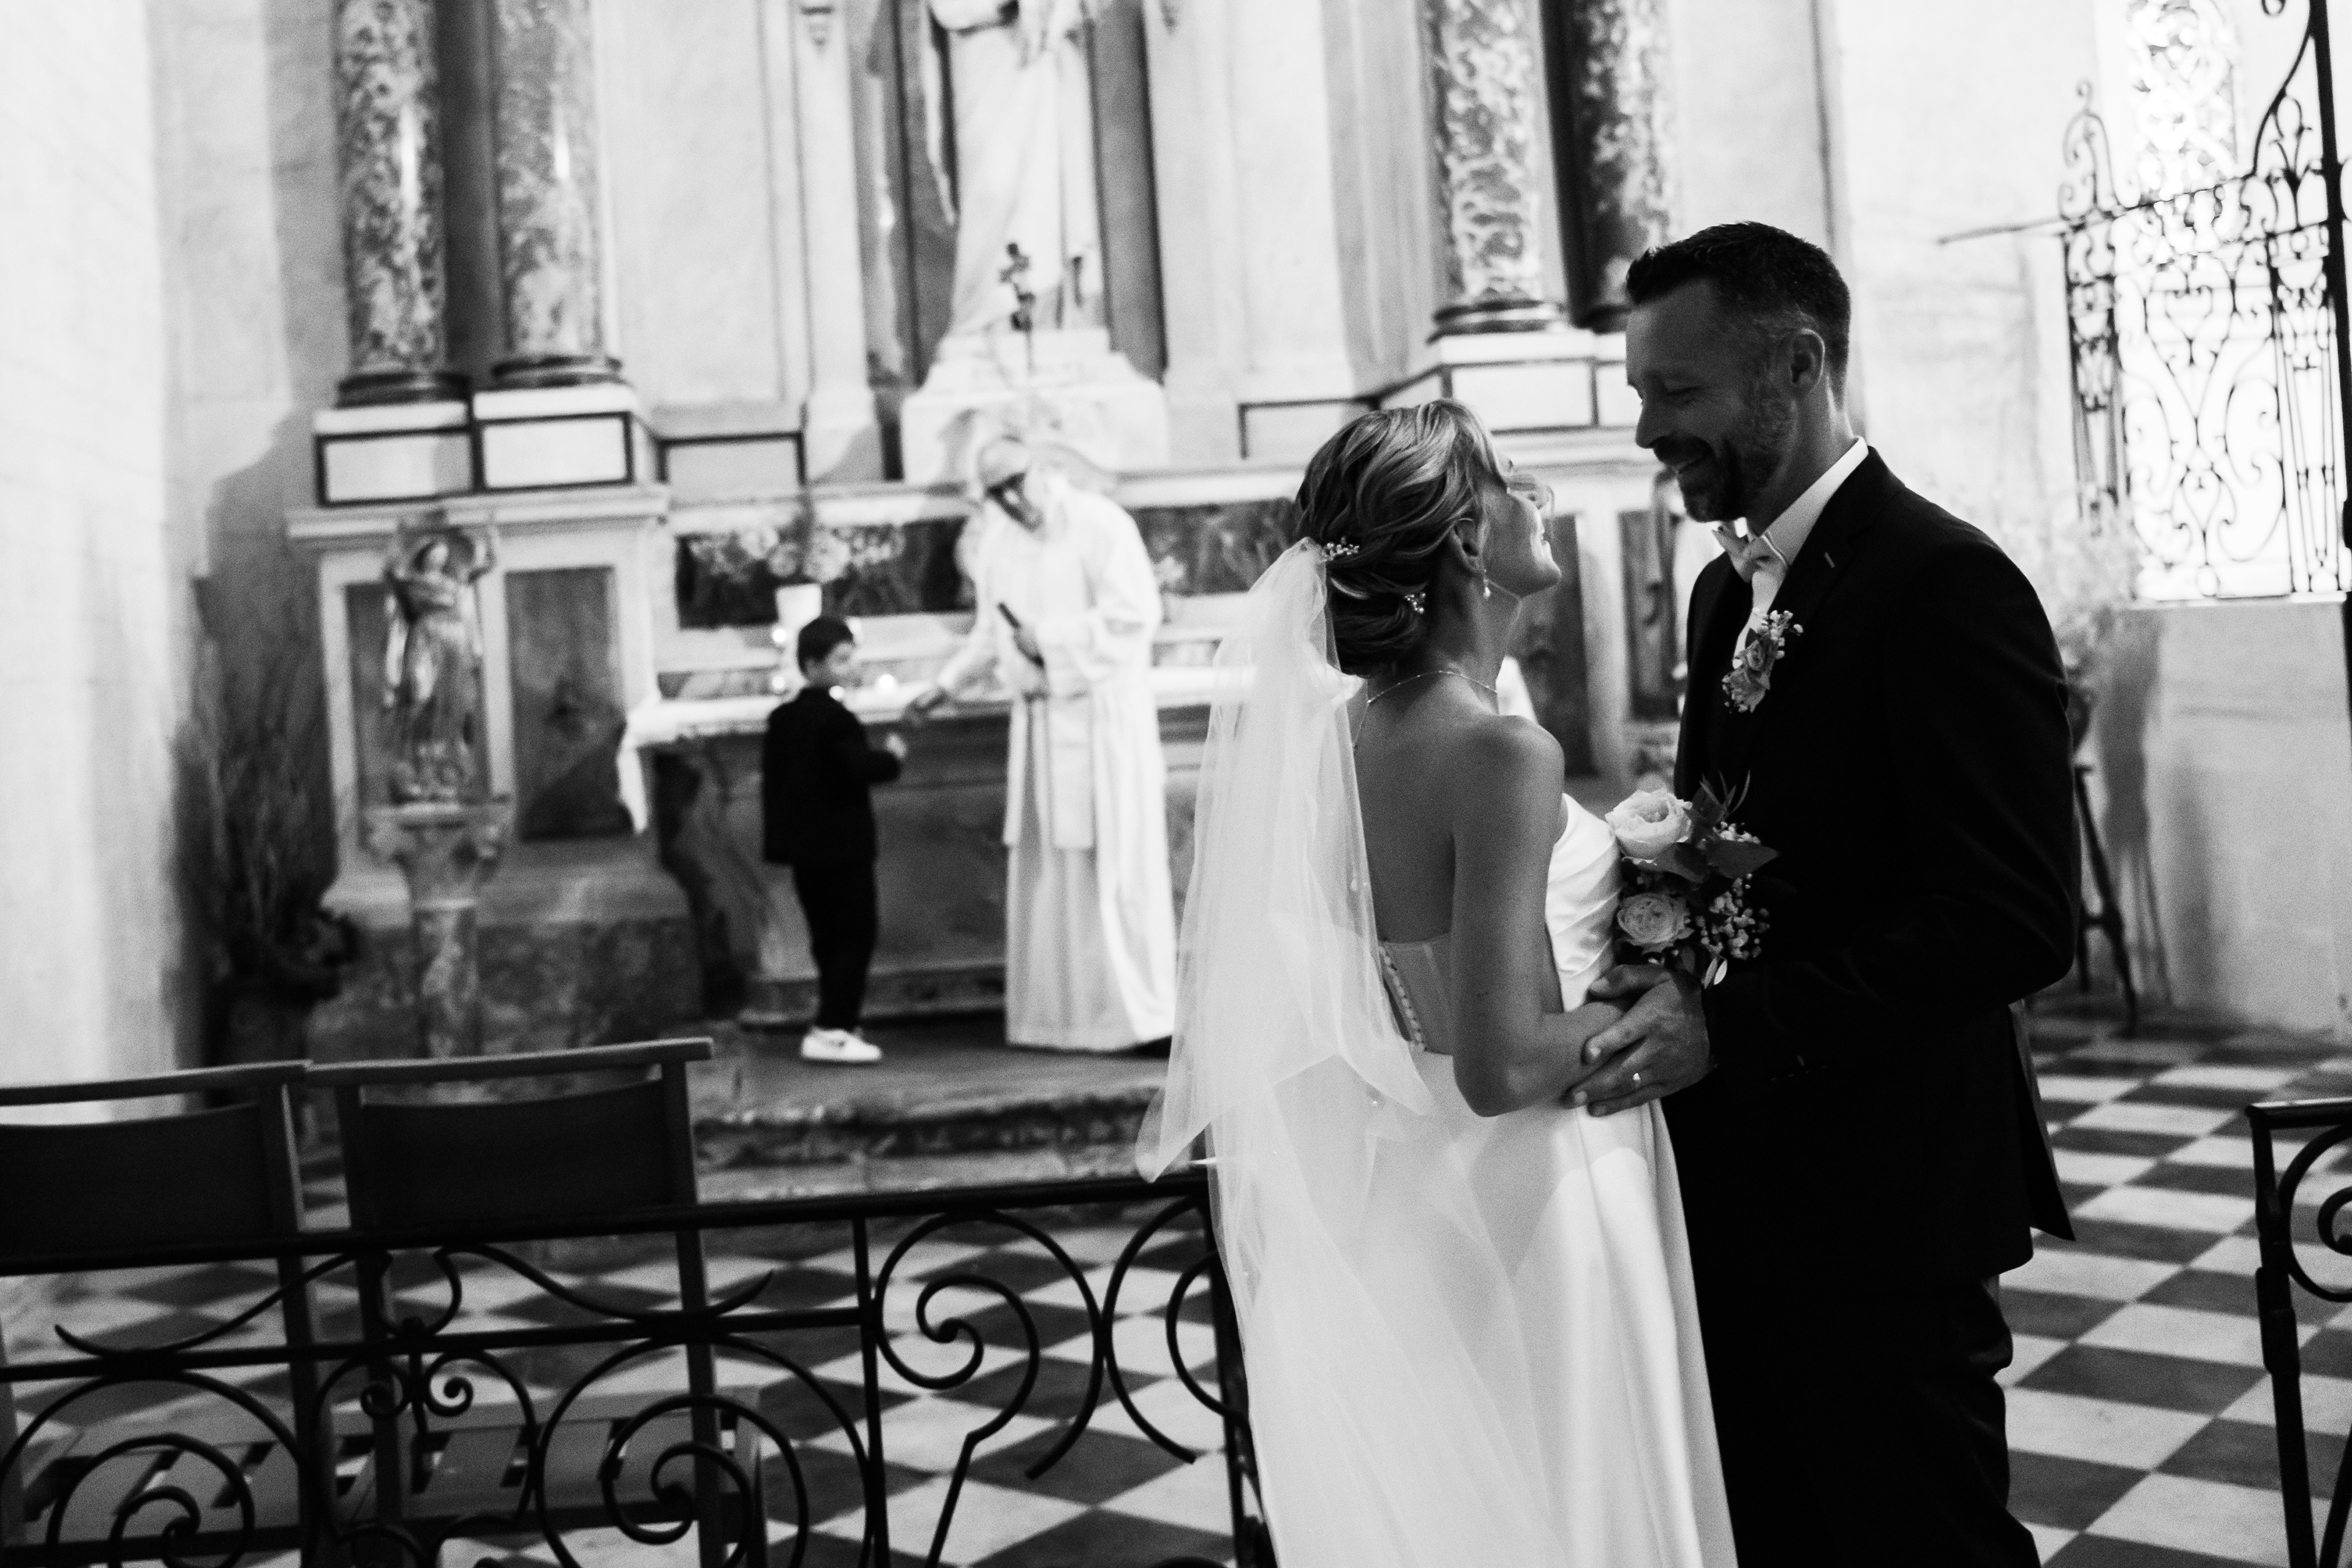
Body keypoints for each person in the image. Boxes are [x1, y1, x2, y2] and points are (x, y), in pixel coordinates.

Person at [1142, 402, 1735, 1566]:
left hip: (1418, 1185)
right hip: (1542, 1177)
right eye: (1517, 478)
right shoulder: (1500, 751)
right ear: (1467, 543)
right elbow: (1503, 1060)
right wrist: (1656, 1003)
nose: (1545, 496)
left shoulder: (1346, 739)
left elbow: (1409, 999)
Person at [1580, 222, 2075, 1565]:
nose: (1645, 430)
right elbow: (1726, 852)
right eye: (1641, 392)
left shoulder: (1943, 583)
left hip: (1885, 1198)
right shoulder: (1715, 593)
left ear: (1793, 368)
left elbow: (2017, 914)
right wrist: (1655, 952)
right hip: (1745, 1181)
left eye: (1674, 392)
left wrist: (1730, 1030)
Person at [907, 436, 1176, 1053]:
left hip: (1103, 723)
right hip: (1041, 729)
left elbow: (1136, 616)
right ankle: (1060, 1018)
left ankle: (1141, 1016)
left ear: (1043, 468)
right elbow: (989, 634)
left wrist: (1047, 640)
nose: (1008, 499)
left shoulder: (1099, 522)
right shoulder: (999, 541)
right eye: (993, 492)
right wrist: (941, 687)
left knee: (1117, 868)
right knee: (1053, 876)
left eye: (1014, 482)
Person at [763, 616, 908, 1066]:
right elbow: (860, 768)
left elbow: (776, 786)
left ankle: (832, 1020)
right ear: (813, 665)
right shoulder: (835, 717)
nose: (852, 666)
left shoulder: (783, 718)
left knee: (826, 937)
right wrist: (893, 758)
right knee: (856, 933)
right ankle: (834, 1027)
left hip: (806, 852)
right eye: (842, 659)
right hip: (843, 848)